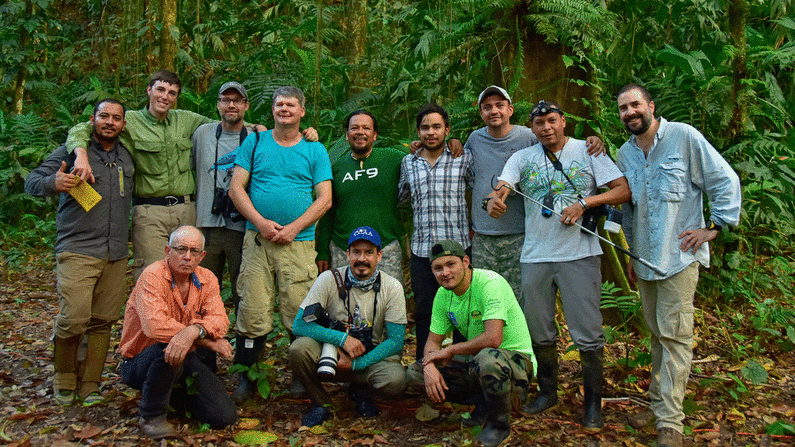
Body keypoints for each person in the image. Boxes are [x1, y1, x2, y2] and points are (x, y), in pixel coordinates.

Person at [487, 100, 630, 428]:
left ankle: (593, 404)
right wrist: (496, 199)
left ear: (563, 121)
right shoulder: (523, 157)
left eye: (552, 120)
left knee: (588, 333)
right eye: (539, 123)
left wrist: (585, 203)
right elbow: (504, 185)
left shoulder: (588, 150)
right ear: (532, 127)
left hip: (579, 255)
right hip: (535, 255)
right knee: (539, 329)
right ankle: (548, 392)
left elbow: (622, 191)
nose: (546, 128)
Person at [615, 84, 741, 447]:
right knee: (658, 334)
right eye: (623, 108)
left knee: (674, 337)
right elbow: (628, 211)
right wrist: (628, 255)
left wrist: (713, 227)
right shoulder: (625, 154)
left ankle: (670, 423)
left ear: (650, 106)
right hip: (644, 259)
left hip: (678, 258)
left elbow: (724, 180)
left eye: (635, 104)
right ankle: (659, 407)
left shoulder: (683, 137)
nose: (630, 112)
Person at [25, 99, 133, 406]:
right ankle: (63, 376)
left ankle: (90, 383)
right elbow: (31, 182)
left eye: (116, 118)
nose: (110, 122)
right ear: (92, 119)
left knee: (103, 320)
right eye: (104, 116)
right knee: (74, 317)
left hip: (115, 250)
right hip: (78, 247)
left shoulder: (128, 155)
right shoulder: (71, 151)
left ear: (123, 124)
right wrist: (53, 182)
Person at [229, 86, 333, 401]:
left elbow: (325, 198)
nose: (283, 108)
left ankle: (302, 376)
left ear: (302, 111)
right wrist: (260, 222)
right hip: (257, 242)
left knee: (300, 309)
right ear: (272, 110)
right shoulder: (255, 141)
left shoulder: (315, 149)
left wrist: (294, 227)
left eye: (290, 104)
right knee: (252, 308)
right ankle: (248, 375)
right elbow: (236, 187)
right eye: (278, 104)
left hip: (298, 243)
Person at [66, 70, 215, 279]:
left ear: (176, 98)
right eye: (160, 89)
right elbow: (82, 129)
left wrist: (257, 129)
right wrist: (81, 155)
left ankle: (182, 313)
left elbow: (223, 128)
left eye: (172, 93)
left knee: (187, 274)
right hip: (150, 211)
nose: (165, 96)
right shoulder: (129, 121)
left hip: (186, 210)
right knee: (152, 275)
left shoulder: (186, 120)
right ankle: (150, 313)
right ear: (149, 90)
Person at [469, 86, 605, 298]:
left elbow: (558, 145)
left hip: (522, 234)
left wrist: (593, 140)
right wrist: (491, 200)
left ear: (511, 110)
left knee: (520, 299)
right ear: (480, 113)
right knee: (486, 298)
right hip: (483, 235)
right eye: (487, 107)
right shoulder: (474, 140)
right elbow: (492, 184)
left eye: (499, 106)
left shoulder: (528, 137)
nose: (494, 111)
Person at [407, 240, 535, 447]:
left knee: (487, 358)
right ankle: (484, 404)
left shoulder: (489, 283)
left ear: (466, 261)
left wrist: (451, 350)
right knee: (416, 371)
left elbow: (494, 338)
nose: (445, 273)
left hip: (515, 365)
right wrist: (429, 366)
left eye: (451, 264)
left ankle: (499, 425)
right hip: (480, 364)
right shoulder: (442, 294)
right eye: (438, 268)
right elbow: (433, 341)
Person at [119, 226, 237, 439]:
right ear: (167, 251)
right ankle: (151, 417)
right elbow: (155, 328)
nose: (187, 257)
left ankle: (175, 395)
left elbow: (220, 320)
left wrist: (194, 331)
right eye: (181, 249)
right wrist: (206, 341)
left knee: (224, 417)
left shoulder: (207, 278)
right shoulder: (153, 275)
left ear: (202, 256)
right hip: (140, 361)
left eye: (194, 251)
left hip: (186, 356)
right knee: (169, 346)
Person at [289, 226, 407, 427]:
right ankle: (322, 404)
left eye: (369, 253)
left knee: (396, 380)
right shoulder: (328, 279)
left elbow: (397, 340)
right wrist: (341, 339)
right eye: (356, 252)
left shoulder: (392, 286)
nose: (362, 259)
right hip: (331, 355)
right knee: (298, 350)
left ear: (379, 256)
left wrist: (358, 364)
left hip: (368, 357)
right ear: (347, 254)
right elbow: (299, 324)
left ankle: (361, 392)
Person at [398, 103, 473, 360]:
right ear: (418, 132)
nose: (431, 132)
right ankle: (425, 365)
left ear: (447, 129)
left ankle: (462, 369)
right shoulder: (409, 163)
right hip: (422, 251)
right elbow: (401, 197)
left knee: (465, 310)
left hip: (458, 248)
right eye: (425, 127)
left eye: (437, 127)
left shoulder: (462, 157)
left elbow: (479, 186)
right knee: (425, 313)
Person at [315, 111, 406, 283]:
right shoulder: (336, 167)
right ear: (347, 135)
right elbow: (327, 211)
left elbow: (423, 156)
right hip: (343, 249)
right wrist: (322, 251)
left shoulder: (393, 158)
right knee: (344, 306)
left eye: (366, 128)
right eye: (354, 128)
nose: (360, 132)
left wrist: (453, 143)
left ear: (375, 134)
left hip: (385, 248)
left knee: (390, 303)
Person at [192, 81, 251, 306]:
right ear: (218, 105)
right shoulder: (202, 133)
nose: (231, 105)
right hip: (208, 226)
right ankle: (204, 335)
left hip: (242, 226)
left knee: (243, 289)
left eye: (237, 100)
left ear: (246, 105)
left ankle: (243, 338)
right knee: (202, 290)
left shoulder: (256, 135)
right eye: (225, 100)